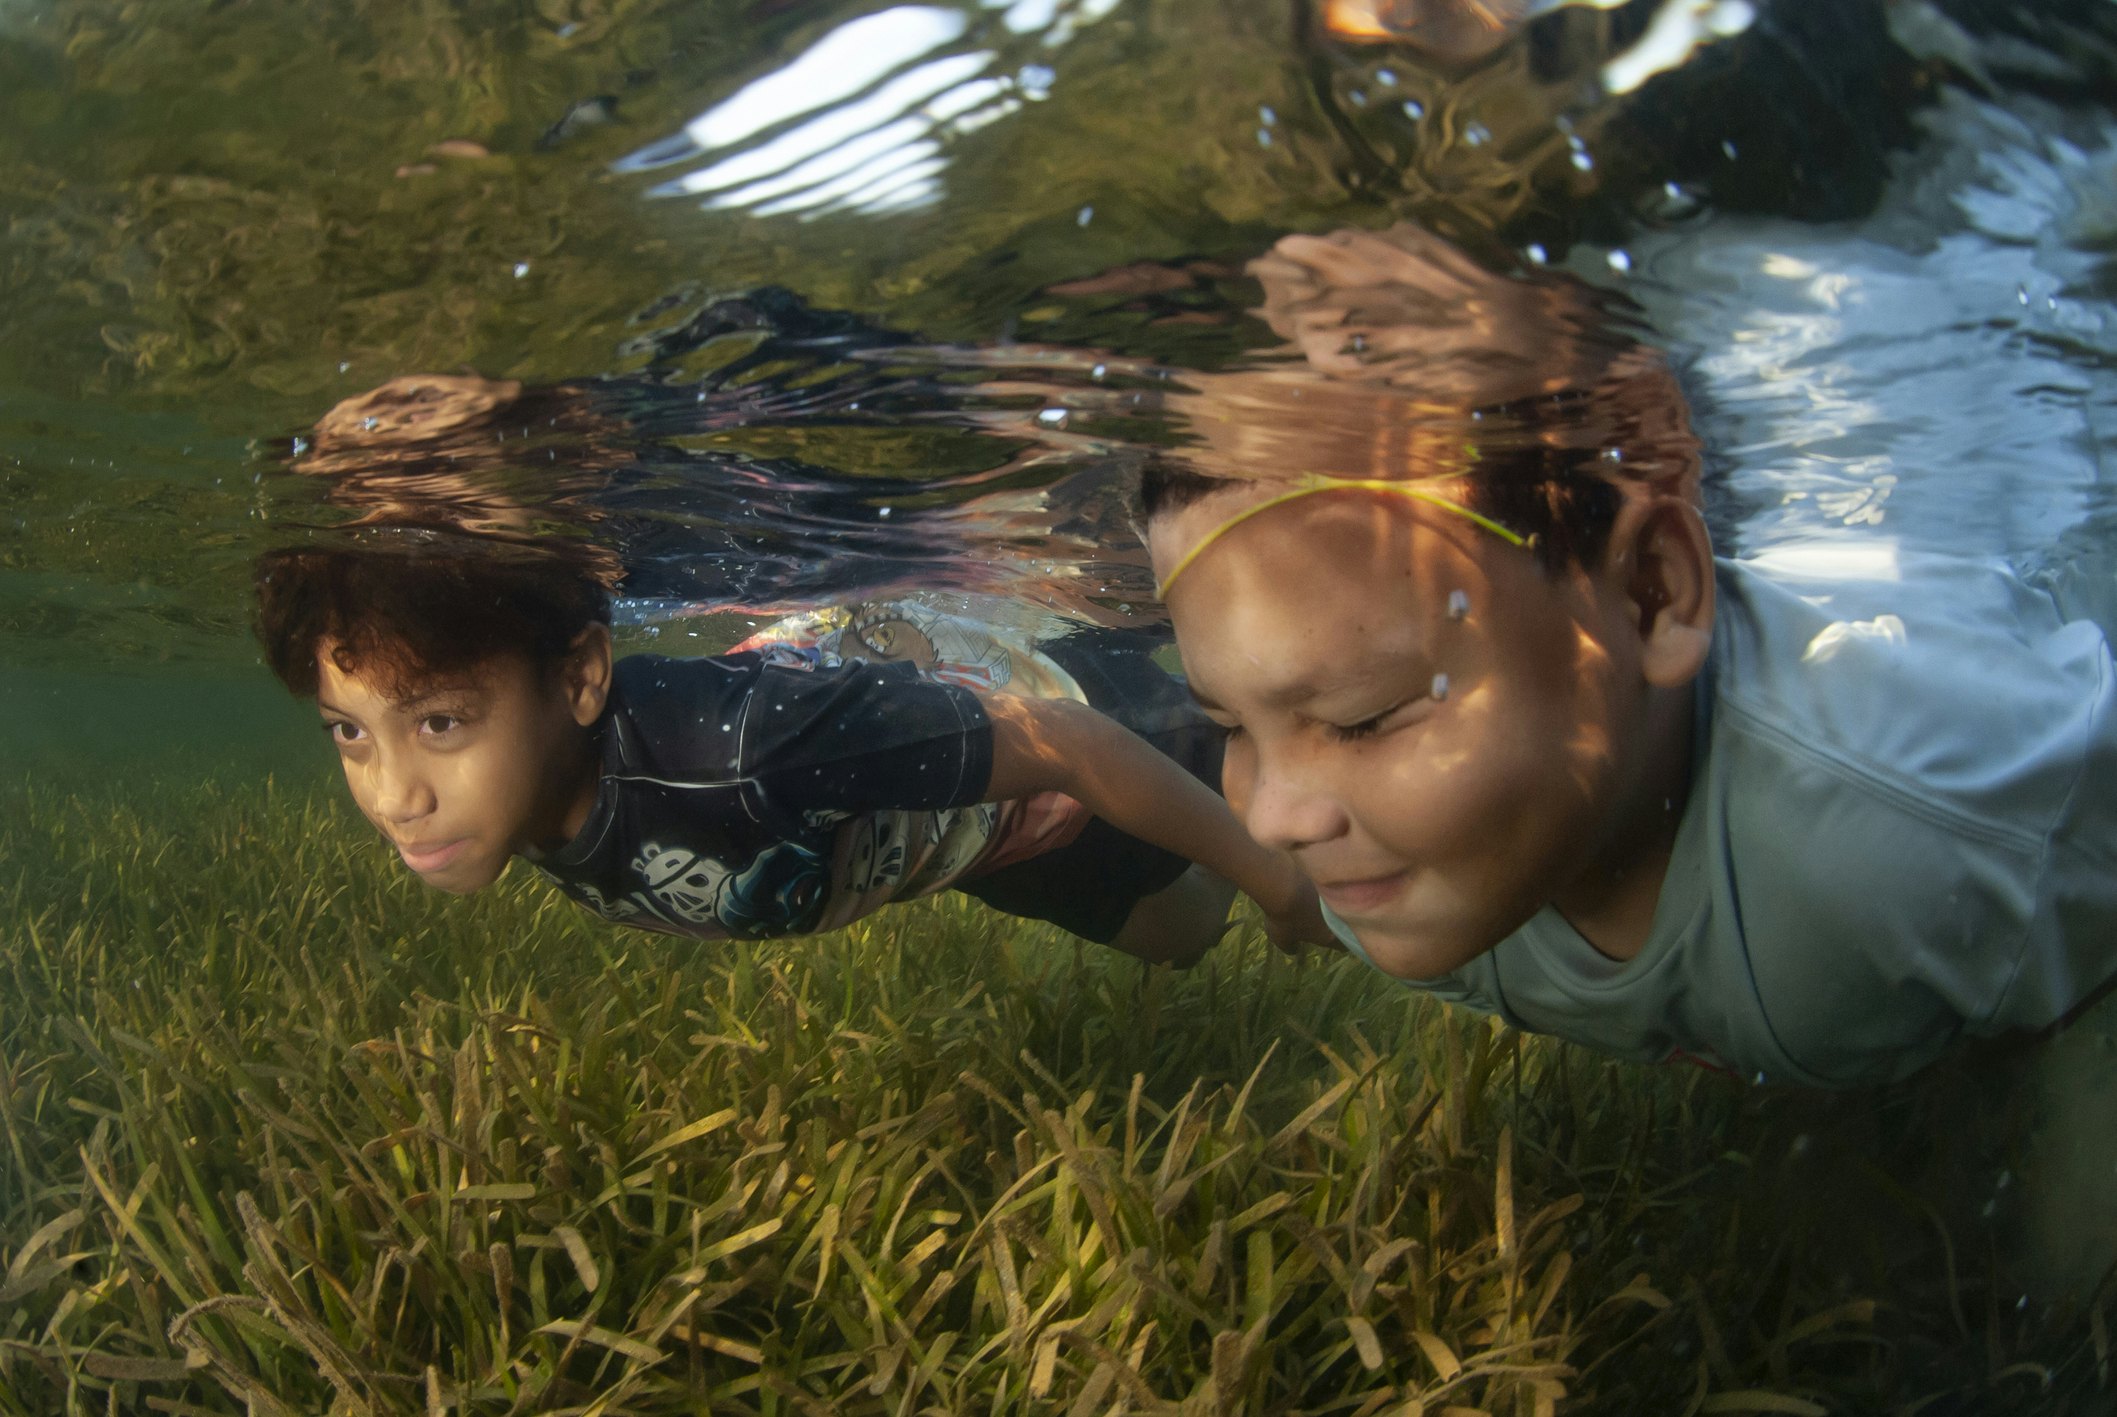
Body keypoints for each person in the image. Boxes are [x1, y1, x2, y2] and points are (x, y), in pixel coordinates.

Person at [1138, 222, 2117, 1086]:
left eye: (1363, 714)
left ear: (1647, 593)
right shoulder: (1386, 867)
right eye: (1228, 728)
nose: (1273, 816)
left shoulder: (1914, 833)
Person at [251, 533, 1329, 967]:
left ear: (580, 680)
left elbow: (1068, 742)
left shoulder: (744, 755)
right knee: (1180, 942)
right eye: (349, 732)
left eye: (439, 723)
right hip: (954, 835)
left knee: (1299, 813)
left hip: (1076, 718)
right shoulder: (512, 795)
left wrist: (1278, 886)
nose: (393, 794)